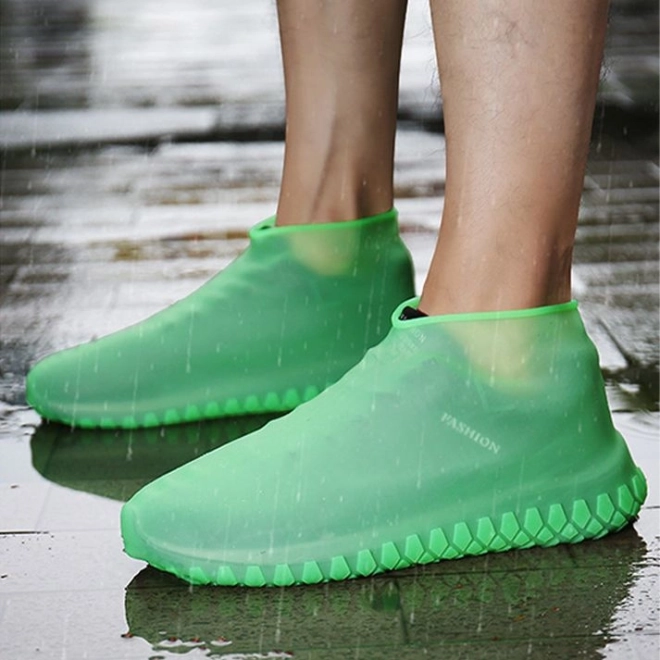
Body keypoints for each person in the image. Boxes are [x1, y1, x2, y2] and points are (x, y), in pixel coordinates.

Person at [27, 0, 646, 586]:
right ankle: (327, 257)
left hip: (507, 383)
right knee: (330, 207)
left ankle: (506, 351)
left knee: (505, 303)